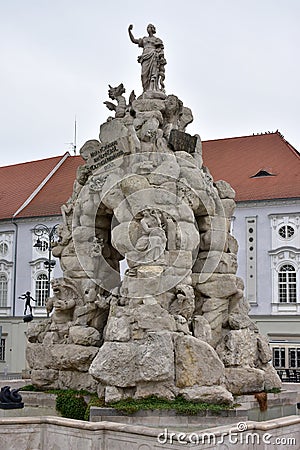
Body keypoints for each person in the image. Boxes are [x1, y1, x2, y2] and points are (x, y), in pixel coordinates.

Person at [128, 24, 166, 92]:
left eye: (149, 27)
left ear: (152, 29)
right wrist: (129, 31)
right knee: (143, 75)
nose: (147, 29)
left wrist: (161, 57)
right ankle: (145, 90)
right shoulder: (144, 39)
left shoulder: (156, 39)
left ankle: (152, 89)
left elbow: (161, 50)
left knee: (153, 73)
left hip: (153, 56)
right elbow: (133, 40)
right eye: (147, 27)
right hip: (145, 57)